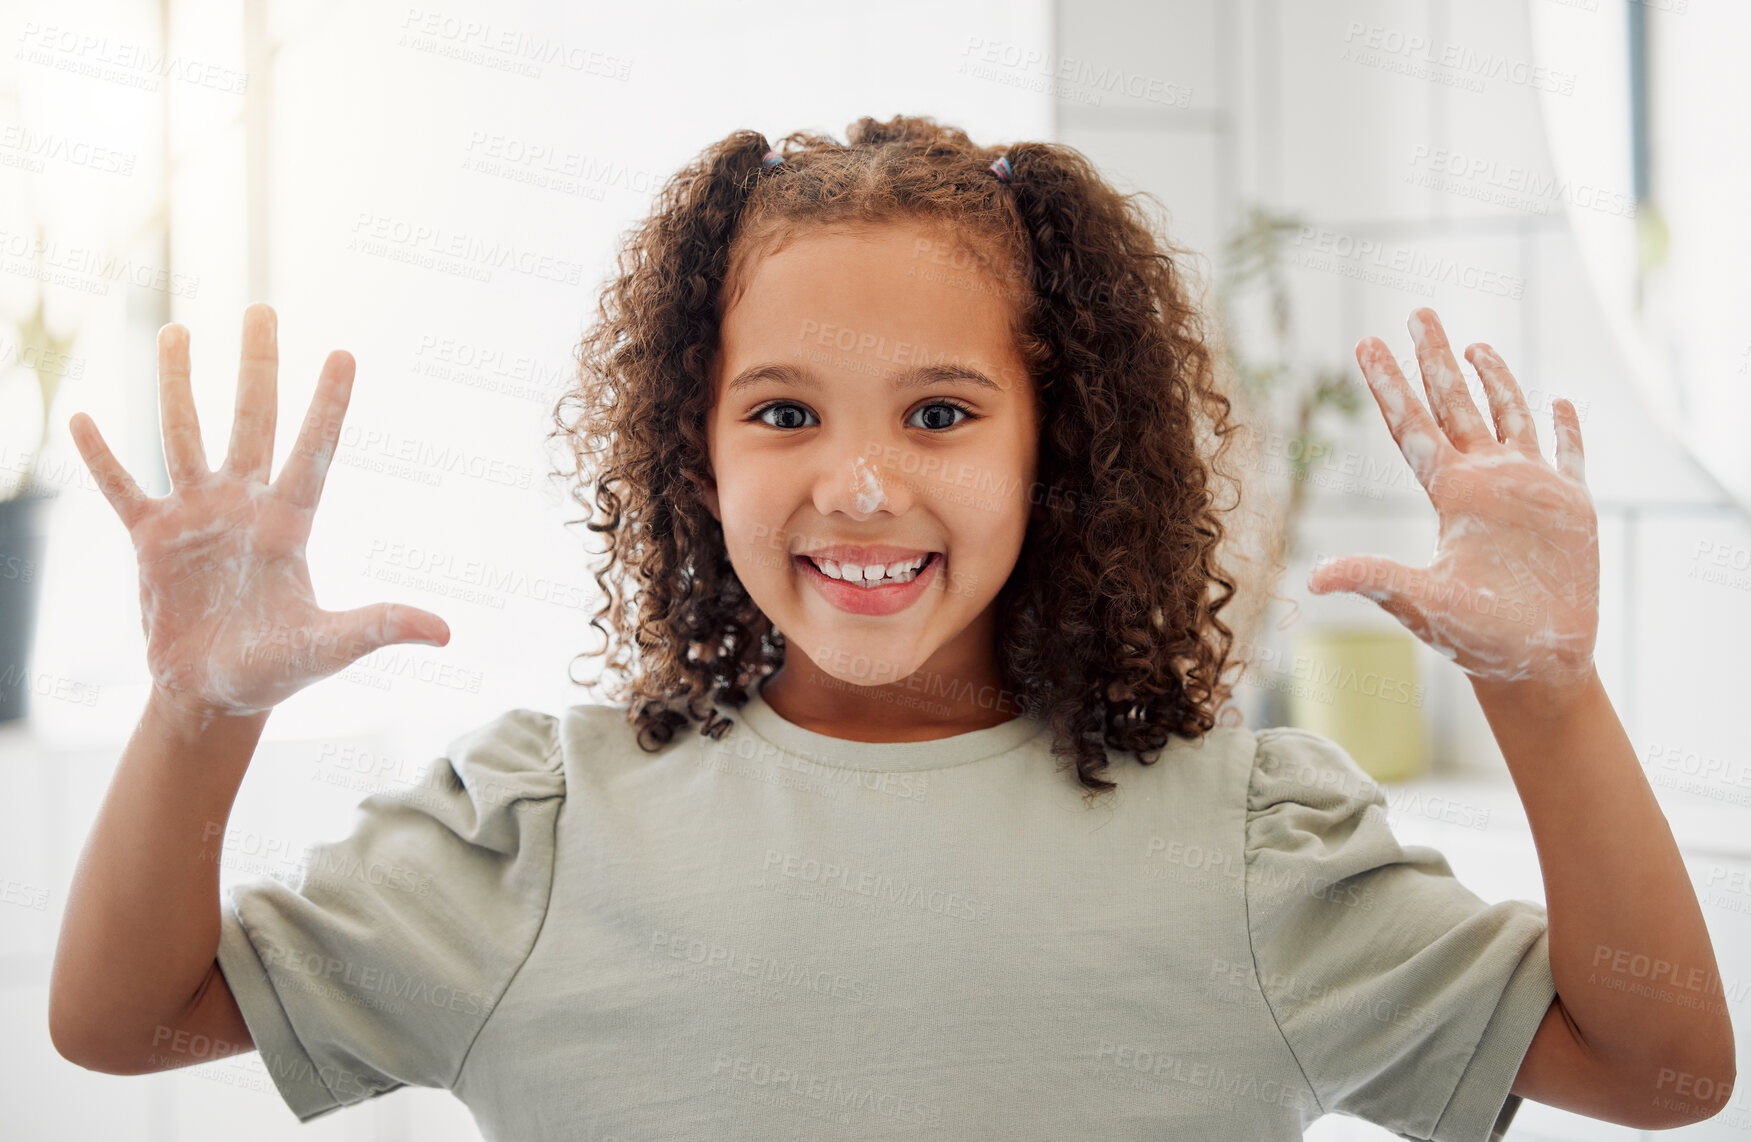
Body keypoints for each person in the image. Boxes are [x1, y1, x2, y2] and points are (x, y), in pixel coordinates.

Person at [47, 115, 1733, 1140]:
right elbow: (124, 1019)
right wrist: (200, 710)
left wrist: (1550, 692)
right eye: (782, 413)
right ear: (690, 449)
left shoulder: (1241, 845)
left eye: (939, 415)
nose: (857, 483)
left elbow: (1662, 1071)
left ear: (1052, 445)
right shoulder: (539, 835)